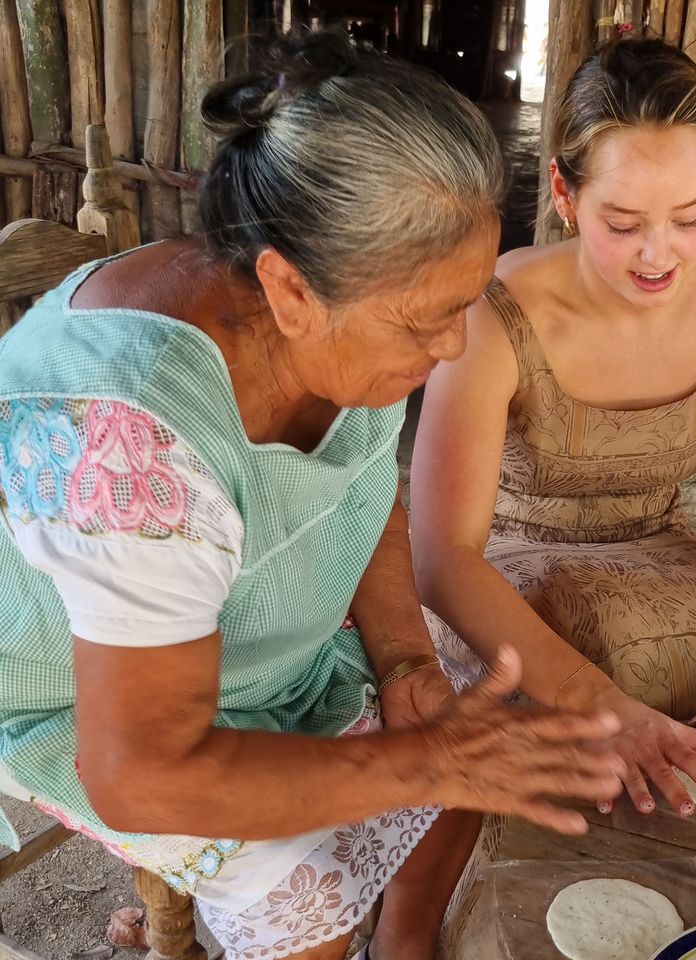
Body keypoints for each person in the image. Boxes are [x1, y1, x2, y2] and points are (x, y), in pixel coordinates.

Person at [0, 30, 626, 960]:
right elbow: (141, 772)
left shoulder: (323, 312)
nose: (454, 346)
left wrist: (410, 668)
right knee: (311, 889)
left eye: (466, 305)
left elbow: (359, 493)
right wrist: (418, 760)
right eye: (430, 318)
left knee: (472, 746)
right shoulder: (129, 448)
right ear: (290, 291)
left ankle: (403, 948)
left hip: (256, 646)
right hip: (89, 707)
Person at [410, 36, 696, 825]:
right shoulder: (497, 312)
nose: (660, 254)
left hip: (654, 536)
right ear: (564, 192)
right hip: (506, 557)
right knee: (569, 676)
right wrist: (599, 703)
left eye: (689, 217)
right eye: (622, 223)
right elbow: (442, 557)